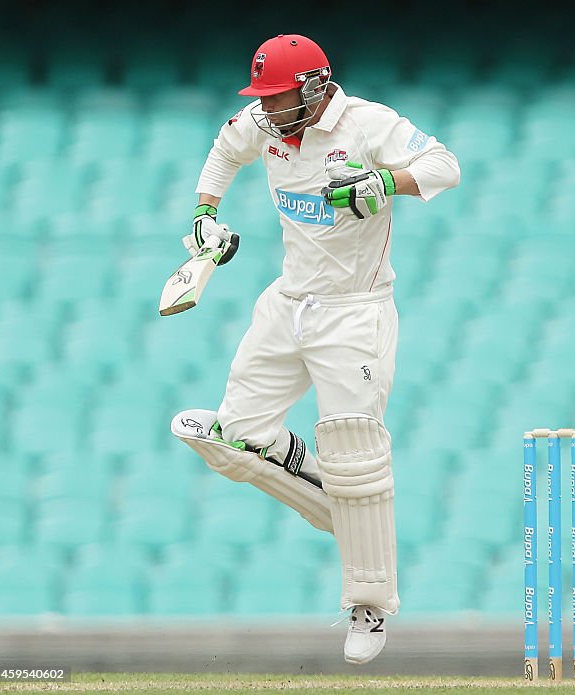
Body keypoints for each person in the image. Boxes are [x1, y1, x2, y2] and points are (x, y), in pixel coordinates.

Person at [170, 33, 460, 665]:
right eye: (263, 98)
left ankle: (369, 606)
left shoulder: (367, 122)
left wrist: (385, 181)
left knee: (355, 443)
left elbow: (445, 166)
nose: (266, 110)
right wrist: (203, 212)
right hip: (289, 301)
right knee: (230, 436)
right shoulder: (264, 120)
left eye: (277, 97)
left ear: (314, 87)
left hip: (356, 311)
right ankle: (333, 496)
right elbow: (223, 152)